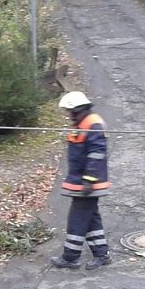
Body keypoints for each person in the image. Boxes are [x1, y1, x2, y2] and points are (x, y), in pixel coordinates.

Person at [50, 91, 112, 270]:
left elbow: (96, 153)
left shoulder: (93, 124)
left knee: (77, 220)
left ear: (77, 109)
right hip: (84, 181)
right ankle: (102, 254)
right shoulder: (82, 123)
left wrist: (88, 180)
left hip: (89, 183)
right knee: (91, 218)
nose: (67, 114)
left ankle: (70, 257)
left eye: (68, 111)